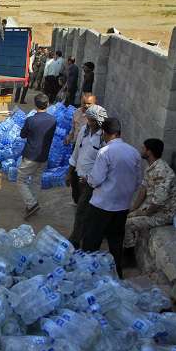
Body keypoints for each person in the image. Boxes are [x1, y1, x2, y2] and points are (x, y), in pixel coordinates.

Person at [82, 118, 143, 278]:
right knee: (116, 242)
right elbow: (137, 181)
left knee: (91, 240)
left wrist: (88, 179)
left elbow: (95, 179)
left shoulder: (105, 152)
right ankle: (118, 274)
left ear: (105, 133)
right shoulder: (134, 152)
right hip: (122, 206)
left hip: (102, 205)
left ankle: (87, 273)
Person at [124, 138, 176, 251]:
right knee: (124, 214)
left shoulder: (162, 172)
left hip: (163, 214)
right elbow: (143, 189)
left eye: (143, 148)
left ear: (149, 152)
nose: (141, 150)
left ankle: (129, 253)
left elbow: (157, 203)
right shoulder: (151, 167)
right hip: (152, 208)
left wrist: (138, 213)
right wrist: (133, 209)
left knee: (127, 223)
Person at [67, 104, 108, 247]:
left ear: (98, 122)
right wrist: (69, 172)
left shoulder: (103, 138)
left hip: (90, 181)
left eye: (91, 120)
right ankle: (83, 236)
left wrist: (91, 179)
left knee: (82, 211)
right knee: (82, 209)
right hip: (78, 177)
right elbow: (76, 153)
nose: (88, 123)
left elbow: (103, 164)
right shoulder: (84, 131)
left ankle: (75, 240)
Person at [18, 93, 57, 219]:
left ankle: (32, 204)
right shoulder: (52, 120)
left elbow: (23, 135)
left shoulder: (31, 120)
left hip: (30, 156)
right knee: (36, 180)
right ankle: (32, 205)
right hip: (44, 156)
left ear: (35, 105)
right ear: (48, 103)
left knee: (21, 180)